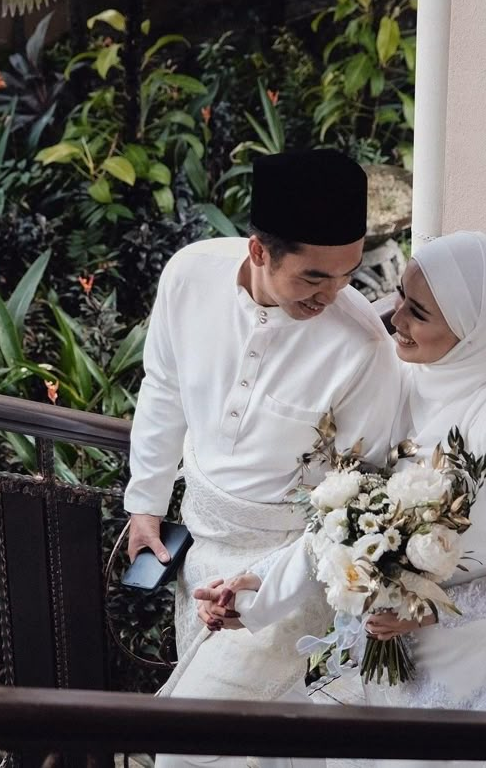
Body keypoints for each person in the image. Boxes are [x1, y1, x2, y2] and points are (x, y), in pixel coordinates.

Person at [199, 231, 486, 768]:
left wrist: (432, 613)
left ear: (472, 330)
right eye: (401, 297)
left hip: (462, 651)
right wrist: (261, 583)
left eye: (418, 313)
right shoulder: (411, 378)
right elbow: (353, 513)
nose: (395, 319)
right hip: (388, 637)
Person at [123, 149, 401, 768]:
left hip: (288, 571)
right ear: (258, 251)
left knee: (187, 752)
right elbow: (163, 386)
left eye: (348, 274)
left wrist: (269, 589)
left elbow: (360, 500)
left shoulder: (364, 349)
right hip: (199, 551)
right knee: (255, 751)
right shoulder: (189, 275)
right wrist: (145, 502)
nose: (334, 294)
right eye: (313, 278)